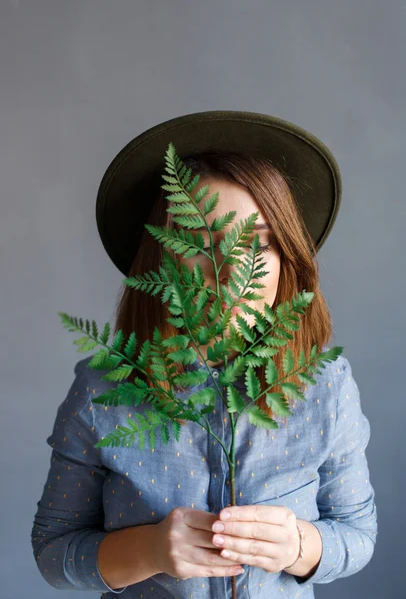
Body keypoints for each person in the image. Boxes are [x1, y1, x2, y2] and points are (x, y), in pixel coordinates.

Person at [31, 111, 378, 598]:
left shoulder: (326, 387)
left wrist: (299, 545)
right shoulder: (103, 389)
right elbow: (53, 551)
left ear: (287, 260)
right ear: (162, 260)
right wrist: (150, 551)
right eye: (199, 243)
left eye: (257, 243)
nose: (233, 272)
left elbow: (359, 535)